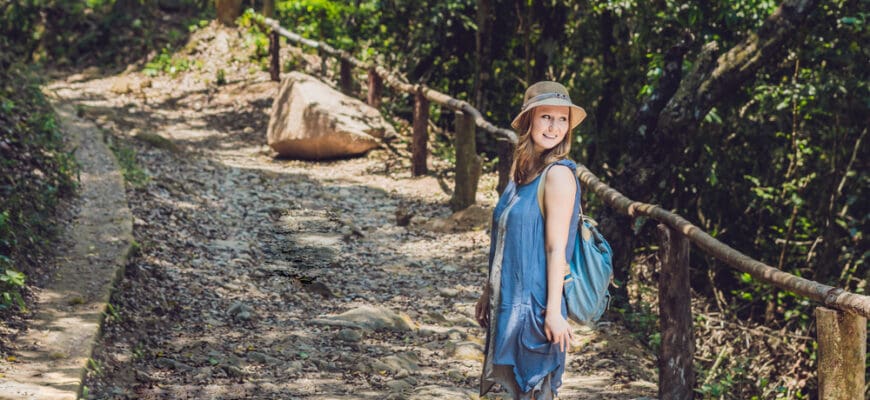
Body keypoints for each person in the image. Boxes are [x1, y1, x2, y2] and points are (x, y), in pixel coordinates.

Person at [476, 81, 586, 399]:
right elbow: (504, 237)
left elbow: (555, 248)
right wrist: (488, 289)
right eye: (546, 117)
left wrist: (553, 311)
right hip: (507, 303)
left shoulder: (559, 175)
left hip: (536, 308)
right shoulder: (522, 173)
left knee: (534, 390)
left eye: (562, 119)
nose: (554, 127)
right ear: (529, 120)